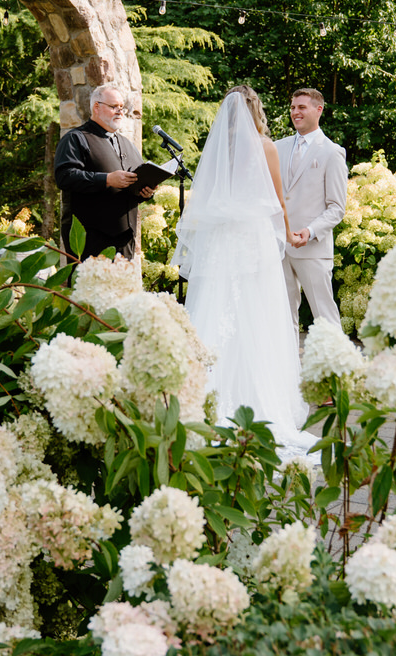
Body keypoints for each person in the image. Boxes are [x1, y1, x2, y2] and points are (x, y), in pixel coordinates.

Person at [175, 87, 316, 454]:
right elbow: (278, 200)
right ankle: (258, 404)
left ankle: (203, 400)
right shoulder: (264, 146)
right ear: (256, 110)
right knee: (258, 315)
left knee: (215, 308)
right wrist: (286, 235)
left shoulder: (221, 151)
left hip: (223, 242)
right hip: (252, 243)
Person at [54, 83, 153, 260]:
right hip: (90, 240)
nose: (120, 111)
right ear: (96, 107)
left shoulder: (126, 144)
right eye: (114, 106)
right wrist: (106, 179)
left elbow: (134, 185)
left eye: (122, 107)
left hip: (125, 242)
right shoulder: (75, 138)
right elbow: (65, 177)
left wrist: (145, 192)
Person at [276, 88, 348, 329]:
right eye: (293, 107)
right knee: (283, 319)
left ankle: (339, 366)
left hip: (313, 248)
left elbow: (336, 207)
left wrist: (310, 231)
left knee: (325, 317)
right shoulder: (277, 148)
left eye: (301, 107)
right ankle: (289, 367)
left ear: (319, 110)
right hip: (279, 246)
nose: (295, 112)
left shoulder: (332, 152)